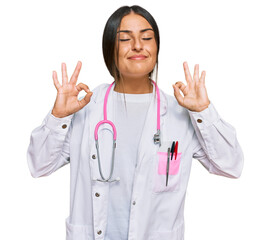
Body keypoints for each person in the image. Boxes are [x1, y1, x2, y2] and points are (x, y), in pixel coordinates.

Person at [27, 5, 244, 240]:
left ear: (157, 47)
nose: (138, 45)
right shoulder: (85, 108)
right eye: (125, 39)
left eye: (147, 37)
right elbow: (39, 166)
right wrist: (58, 116)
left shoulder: (181, 113)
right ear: (109, 48)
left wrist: (204, 111)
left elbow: (231, 166)